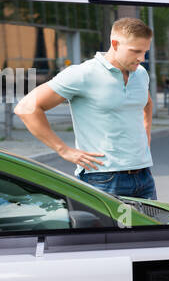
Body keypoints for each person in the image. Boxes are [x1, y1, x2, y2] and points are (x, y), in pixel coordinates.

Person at [13, 17, 157, 200]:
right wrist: (63, 149)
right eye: (135, 51)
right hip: (103, 177)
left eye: (145, 52)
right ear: (115, 43)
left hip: (144, 174)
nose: (141, 58)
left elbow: (146, 103)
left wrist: (146, 132)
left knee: (151, 229)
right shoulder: (83, 74)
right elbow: (26, 107)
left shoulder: (141, 73)